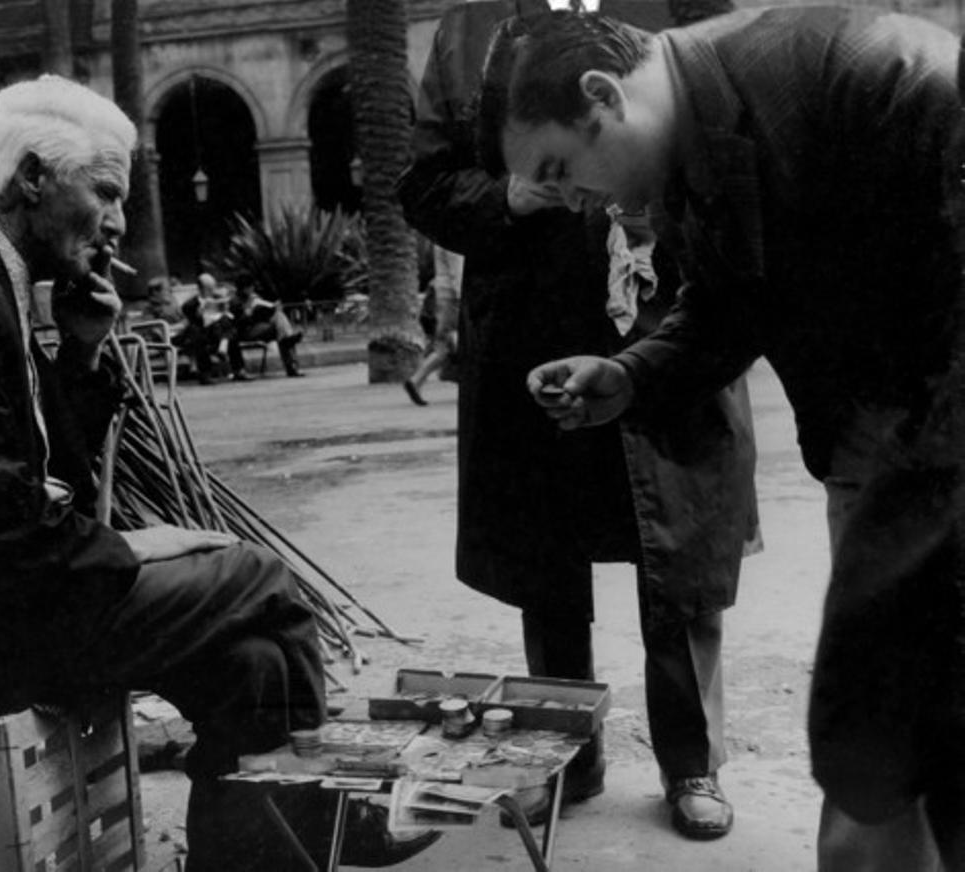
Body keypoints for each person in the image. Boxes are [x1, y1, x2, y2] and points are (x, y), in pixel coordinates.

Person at [0, 74, 437, 871]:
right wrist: (144, 547)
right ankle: (333, 821)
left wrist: (82, 352)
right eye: (105, 192)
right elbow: (6, 527)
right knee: (258, 574)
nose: (119, 223)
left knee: (254, 670)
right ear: (33, 176)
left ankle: (257, 854)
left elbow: (42, 476)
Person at [479, 7, 965, 869]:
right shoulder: (700, 129)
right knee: (877, 738)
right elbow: (734, 298)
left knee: (898, 726)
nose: (575, 202)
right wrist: (629, 375)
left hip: (932, 449)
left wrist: (907, 494)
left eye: (563, 170)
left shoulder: (872, 75)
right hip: (885, 453)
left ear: (602, 95)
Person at [397, 0, 756, 841]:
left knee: (679, 546)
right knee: (545, 557)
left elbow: (727, 124)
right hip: (531, 322)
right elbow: (421, 183)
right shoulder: (470, 30)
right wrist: (509, 197)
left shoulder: (677, 6)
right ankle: (566, 753)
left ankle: (691, 760)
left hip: (668, 313)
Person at [403, 243, 462, 406]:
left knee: (446, 343)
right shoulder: (451, 238)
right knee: (449, 343)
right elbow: (457, 269)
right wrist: (462, 297)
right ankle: (416, 380)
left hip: (444, 294)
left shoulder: (442, 237)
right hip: (452, 297)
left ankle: (417, 381)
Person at [180, 271, 255, 384]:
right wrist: (198, 314)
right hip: (205, 331)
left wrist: (226, 308)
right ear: (201, 288)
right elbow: (191, 321)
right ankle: (223, 365)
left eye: (213, 287)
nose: (212, 291)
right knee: (199, 334)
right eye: (209, 288)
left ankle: (232, 361)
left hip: (220, 330)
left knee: (227, 322)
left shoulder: (219, 298)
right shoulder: (190, 304)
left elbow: (236, 312)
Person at [230, 273, 305, 377]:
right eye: (250, 287)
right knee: (283, 333)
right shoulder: (235, 301)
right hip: (246, 330)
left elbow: (262, 313)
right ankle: (292, 367)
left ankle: (288, 342)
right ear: (243, 288)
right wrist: (249, 312)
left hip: (259, 325)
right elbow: (237, 323)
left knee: (279, 317)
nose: (252, 289)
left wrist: (271, 308)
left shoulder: (254, 297)